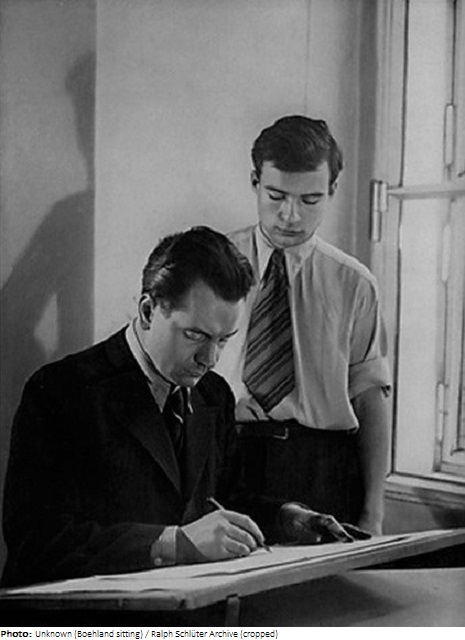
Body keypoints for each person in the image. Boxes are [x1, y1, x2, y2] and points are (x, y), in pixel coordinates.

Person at [1, 226, 368, 589]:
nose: (210, 359)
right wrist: (175, 543)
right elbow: (35, 541)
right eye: (195, 335)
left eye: (224, 340)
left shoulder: (214, 395)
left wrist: (286, 520)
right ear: (148, 311)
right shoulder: (61, 392)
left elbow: (225, 502)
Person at [215, 116, 392, 535]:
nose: (290, 216)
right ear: (255, 182)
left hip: (323, 471)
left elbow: (370, 399)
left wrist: (373, 511)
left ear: (332, 190)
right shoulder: (212, 264)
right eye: (276, 196)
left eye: (310, 200)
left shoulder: (354, 283)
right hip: (225, 457)